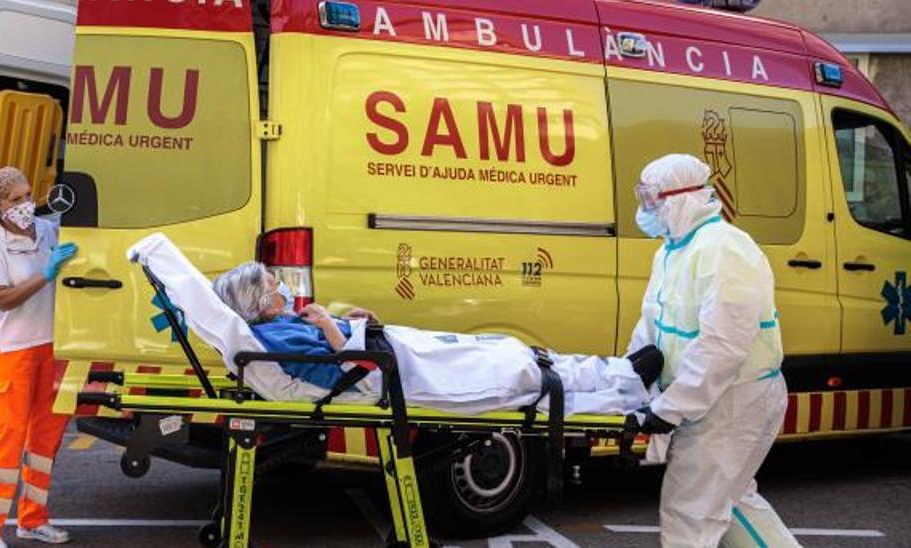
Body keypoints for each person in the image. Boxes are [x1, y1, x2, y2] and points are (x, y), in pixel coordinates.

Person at [212, 261, 663, 416]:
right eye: (272, 284)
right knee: (515, 378)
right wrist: (334, 328)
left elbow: (340, 355)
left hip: (393, 353)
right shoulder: (272, 339)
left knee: (507, 350)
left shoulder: (281, 326)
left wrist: (352, 324)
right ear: (260, 301)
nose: (281, 286)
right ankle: (628, 393)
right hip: (395, 373)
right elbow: (343, 372)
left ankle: (618, 370)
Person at [625, 154, 799, 547]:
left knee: (690, 515)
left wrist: (668, 409)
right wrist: (627, 379)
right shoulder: (671, 251)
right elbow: (651, 324)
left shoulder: (726, 250)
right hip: (710, 401)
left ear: (684, 198)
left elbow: (722, 347)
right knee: (731, 504)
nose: (646, 209)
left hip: (735, 401)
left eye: (653, 199)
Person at [0, 167, 78, 548]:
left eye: (28, 195)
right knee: (9, 442)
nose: (26, 205)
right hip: (11, 353)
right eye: (16, 200)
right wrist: (47, 274)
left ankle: (32, 520)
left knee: (45, 442)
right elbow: (1, 298)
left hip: (52, 348)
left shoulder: (48, 231)